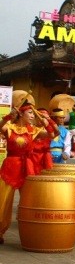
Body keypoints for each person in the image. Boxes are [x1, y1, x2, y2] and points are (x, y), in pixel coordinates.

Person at [0, 102, 53, 244]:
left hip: (27, 167)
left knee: (31, 202)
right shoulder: (10, 128)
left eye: (33, 113)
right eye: (30, 113)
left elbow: (53, 134)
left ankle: (32, 231)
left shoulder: (33, 130)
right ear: (21, 114)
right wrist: (7, 117)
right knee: (3, 203)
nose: (32, 116)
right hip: (10, 167)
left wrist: (45, 120)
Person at [31, 108, 59, 174]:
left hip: (46, 157)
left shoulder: (49, 130)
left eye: (44, 117)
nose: (41, 119)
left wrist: (49, 120)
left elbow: (57, 132)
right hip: (33, 157)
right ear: (35, 117)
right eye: (40, 117)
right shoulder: (31, 129)